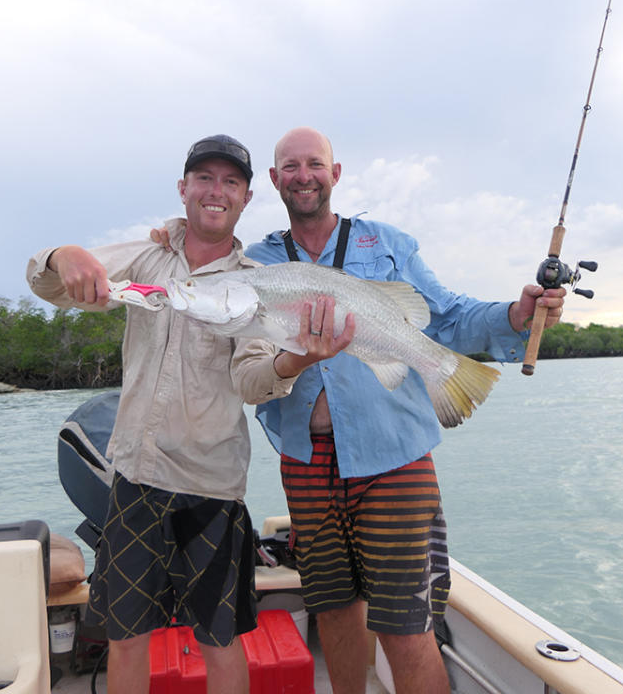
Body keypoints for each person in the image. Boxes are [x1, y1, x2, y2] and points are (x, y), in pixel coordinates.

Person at [229, 127, 567, 694]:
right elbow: (242, 353)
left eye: (315, 164)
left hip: (395, 463)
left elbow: (450, 316)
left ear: (335, 174)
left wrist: (515, 313)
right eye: (290, 166)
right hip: (307, 465)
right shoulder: (256, 264)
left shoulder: (387, 244)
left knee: (406, 625)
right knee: (333, 611)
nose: (303, 175)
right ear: (273, 180)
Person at [26, 134, 260, 694]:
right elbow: (48, 282)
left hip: (214, 487)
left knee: (220, 640)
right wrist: (63, 255)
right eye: (204, 178)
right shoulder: (147, 256)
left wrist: (299, 357)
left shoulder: (254, 283)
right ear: (183, 189)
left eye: (231, 181)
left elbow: (256, 383)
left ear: (246, 198)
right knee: (126, 637)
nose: (216, 191)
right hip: (135, 477)